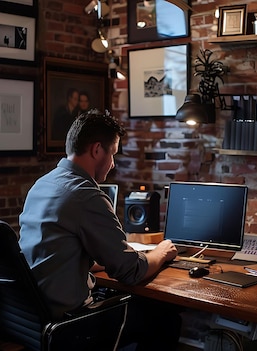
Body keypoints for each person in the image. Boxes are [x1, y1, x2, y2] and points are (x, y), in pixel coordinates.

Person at [19, 109, 181, 350]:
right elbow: (131, 272)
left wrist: (109, 257)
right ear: (97, 150)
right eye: (113, 153)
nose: (113, 163)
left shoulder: (42, 185)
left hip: (34, 316)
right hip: (71, 323)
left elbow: (56, 252)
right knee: (165, 317)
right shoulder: (86, 195)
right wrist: (161, 252)